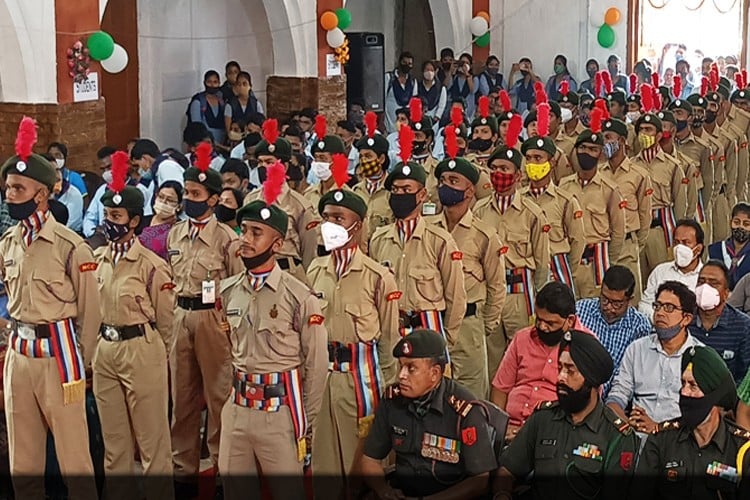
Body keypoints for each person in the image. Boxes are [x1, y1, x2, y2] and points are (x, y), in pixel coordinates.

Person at [0, 119, 101, 499]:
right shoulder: (9, 241)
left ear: (41, 195)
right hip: (19, 357)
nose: (10, 195)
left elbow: (90, 313)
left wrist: (84, 362)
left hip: (58, 359)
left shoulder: (69, 246)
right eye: (9, 187)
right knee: (22, 462)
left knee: (74, 461)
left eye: (19, 188)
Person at [217, 196, 327, 500]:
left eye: (256, 233)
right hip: (238, 408)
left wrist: (308, 422)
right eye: (244, 230)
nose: (246, 240)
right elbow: (229, 350)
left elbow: (316, 365)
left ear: (277, 244)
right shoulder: (228, 292)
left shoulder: (299, 297)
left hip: (279, 413)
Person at [307, 184, 400, 496]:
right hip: (324, 377)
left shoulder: (377, 276)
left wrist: (389, 388)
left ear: (357, 225)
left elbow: (389, 338)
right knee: (323, 463)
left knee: (360, 463)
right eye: (326, 217)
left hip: (360, 380)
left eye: (338, 217)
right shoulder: (316, 270)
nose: (330, 224)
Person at [92, 161, 175, 500]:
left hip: (141, 347)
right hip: (105, 349)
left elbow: (167, 324)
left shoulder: (152, 267)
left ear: (134, 221)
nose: (109, 223)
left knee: (152, 442)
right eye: (106, 215)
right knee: (114, 445)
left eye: (116, 218)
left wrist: (156, 356)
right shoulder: (96, 260)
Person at [167, 146, 243, 497]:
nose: (188, 200)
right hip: (180, 315)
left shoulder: (227, 239)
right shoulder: (175, 234)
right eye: (186, 193)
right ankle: (183, 468)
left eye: (196, 194)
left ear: (213, 200)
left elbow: (237, 288)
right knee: (182, 397)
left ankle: (219, 465)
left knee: (218, 397)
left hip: (212, 319)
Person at [494, 330, 639, 500]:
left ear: (591, 379)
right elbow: (508, 469)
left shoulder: (617, 436)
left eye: (570, 371)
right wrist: (502, 494)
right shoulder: (543, 418)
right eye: (560, 368)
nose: (560, 377)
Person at [359, 329, 497, 499]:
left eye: (411, 368)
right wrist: (383, 491)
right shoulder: (392, 401)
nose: (401, 375)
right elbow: (370, 459)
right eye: (401, 366)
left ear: (434, 374)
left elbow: (480, 481)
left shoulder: (464, 409)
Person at [368, 134, 466, 354]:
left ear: (422, 195)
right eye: (395, 190)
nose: (399, 195)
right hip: (391, 332)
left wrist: (446, 341)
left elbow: (456, 296)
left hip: (429, 332)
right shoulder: (379, 239)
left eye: (406, 190)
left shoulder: (439, 240)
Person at [430, 153, 506, 399]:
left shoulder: (484, 235)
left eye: (454, 181)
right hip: (433, 324)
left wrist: (483, 327)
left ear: (470, 190)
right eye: (442, 180)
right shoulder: (428, 230)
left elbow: (496, 286)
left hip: (468, 325)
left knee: (470, 398)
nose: (446, 186)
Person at [475, 126, 550, 375]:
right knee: (491, 359)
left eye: (504, 169)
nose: (498, 174)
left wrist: (539, 299)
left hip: (520, 294)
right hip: (489, 294)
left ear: (518, 176)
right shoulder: (478, 211)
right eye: (494, 169)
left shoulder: (532, 213)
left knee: (524, 357)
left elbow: (541, 263)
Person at [635, 345, 750, 499]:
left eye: (693, 386)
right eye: (683, 383)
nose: (684, 392)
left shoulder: (742, 450)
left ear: (713, 394)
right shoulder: (661, 439)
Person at [492, 282, 592, 439]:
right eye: (539, 320)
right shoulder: (522, 338)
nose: (542, 327)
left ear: (570, 321)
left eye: (550, 323)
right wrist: (501, 427)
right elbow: (500, 389)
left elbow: (587, 405)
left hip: (555, 434)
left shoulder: (586, 347)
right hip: (510, 429)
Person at [607, 280, 703, 436]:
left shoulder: (700, 356)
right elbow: (617, 396)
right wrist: (625, 425)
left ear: (686, 318)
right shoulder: (637, 349)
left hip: (680, 438)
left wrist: (658, 427)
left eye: (669, 308)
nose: (659, 313)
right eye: (657, 306)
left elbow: (701, 414)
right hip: (636, 434)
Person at [243, 119, 321, 281]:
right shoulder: (250, 200)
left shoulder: (299, 205)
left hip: (288, 273)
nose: (263, 167)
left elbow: (309, 251)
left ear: (284, 167)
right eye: (260, 162)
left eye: (270, 162)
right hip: (255, 272)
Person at [559, 124, 626, 298]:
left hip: (596, 263)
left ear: (600, 153)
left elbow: (618, 231)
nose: (587, 153)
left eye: (593, 149)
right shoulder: (563, 186)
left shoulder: (610, 189)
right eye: (582, 148)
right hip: (569, 262)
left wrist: (607, 262)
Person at [520, 124, 585, 294]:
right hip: (527, 273)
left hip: (557, 269)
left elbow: (577, 241)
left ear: (552, 163)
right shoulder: (518, 200)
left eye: (538, 158)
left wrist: (567, 271)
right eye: (528, 158)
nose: (532, 163)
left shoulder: (566, 201)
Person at [598, 117, 652, 305]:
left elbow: (645, 215)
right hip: (603, 247)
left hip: (627, 246)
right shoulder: (599, 174)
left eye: (608, 138)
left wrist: (637, 243)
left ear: (621, 141)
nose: (604, 143)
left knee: (629, 300)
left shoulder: (638, 175)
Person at [577, 266, 651, 395]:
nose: (609, 308)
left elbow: (631, 375)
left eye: (617, 304)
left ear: (629, 300)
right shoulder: (580, 311)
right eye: (604, 299)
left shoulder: (640, 326)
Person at [687, 259, 750, 383]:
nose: (705, 288)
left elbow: (744, 376)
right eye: (701, 282)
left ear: (726, 293)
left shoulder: (743, 326)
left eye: (713, 283)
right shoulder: (684, 318)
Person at [669, 98, 715, 242]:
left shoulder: (703, 148)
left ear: (689, 118)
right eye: (673, 113)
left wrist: (704, 206)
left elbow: (709, 180)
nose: (676, 118)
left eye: (679, 113)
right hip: (671, 203)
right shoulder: (666, 146)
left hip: (695, 202)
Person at [640, 220, 704, 320]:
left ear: (698, 249)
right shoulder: (660, 271)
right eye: (676, 242)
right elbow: (645, 304)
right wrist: (662, 319)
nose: (679, 247)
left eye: (686, 243)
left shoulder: (706, 277)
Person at [352, 112, 393, 242]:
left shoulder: (393, 189)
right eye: (361, 157)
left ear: (381, 158)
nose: (363, 161)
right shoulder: (355, 191)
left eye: (368, 156)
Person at [709, 202, 750, 289]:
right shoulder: (715, 250)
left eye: (746, 224)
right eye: (736, 222)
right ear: (730, 222)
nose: (740, 227)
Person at [139, 180, 182, 261]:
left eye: (170, 200)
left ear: (179, 205)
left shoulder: (179, 228)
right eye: (161, 197)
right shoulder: (142, 221)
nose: (163, 202)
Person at [43, 153, 84, 233]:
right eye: (51, 172)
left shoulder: (73, 194)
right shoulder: (34, 197)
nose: (57, 176)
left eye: (57, 170)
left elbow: (68, 227)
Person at [188, 70, 226, 145]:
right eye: (209, 82)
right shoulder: (198, 102)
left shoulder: (222, 101)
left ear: (219, 83)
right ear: (204, 82)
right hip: (204, 145)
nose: (212, 85)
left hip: (221, 145)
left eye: (215, 82)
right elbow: (197, 128)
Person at [384, 51, 417, 134]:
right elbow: (382, 99)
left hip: (406, 125)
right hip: (390, 125)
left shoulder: (413, 81)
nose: (407, 65)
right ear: (399, 62)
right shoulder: (389, 78)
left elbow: (413, 102)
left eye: (409, 64)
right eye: (404, 62)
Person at [224, 71, 264, 136]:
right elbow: (228, 130)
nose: (241, 87)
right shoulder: (230, 105)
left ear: (250, 86)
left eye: (244, 84)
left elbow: (261, 124)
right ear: (236, 86)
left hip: (253, 138)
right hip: (236, 138)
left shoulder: (256, 104)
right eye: (239, 84)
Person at [448, 53, 477, 119]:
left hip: (469, 110)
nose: (464, 65)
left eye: (467, 63)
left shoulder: (474, 78)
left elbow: (473, 90)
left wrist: (466, 73)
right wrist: (451, 71)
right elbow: (447, 87)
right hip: (455, 108)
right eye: (462, 63)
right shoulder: (455, 77)